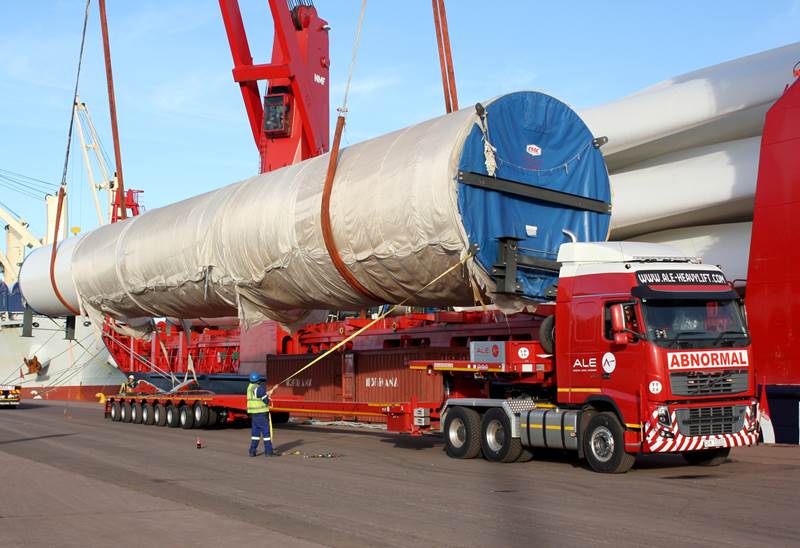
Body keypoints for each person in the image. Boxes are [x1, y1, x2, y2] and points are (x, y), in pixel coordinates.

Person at [247, 371, 274, 457]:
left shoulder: (249, 387)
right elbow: (265, 401)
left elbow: (258, 396)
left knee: (255, 434)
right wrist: (268, 397)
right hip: (262, 414)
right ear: (258, 380)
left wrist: (266, 394)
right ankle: (268, 452)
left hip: (254, 414)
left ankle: (252, 451)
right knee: (266, 434)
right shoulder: (259, 388)